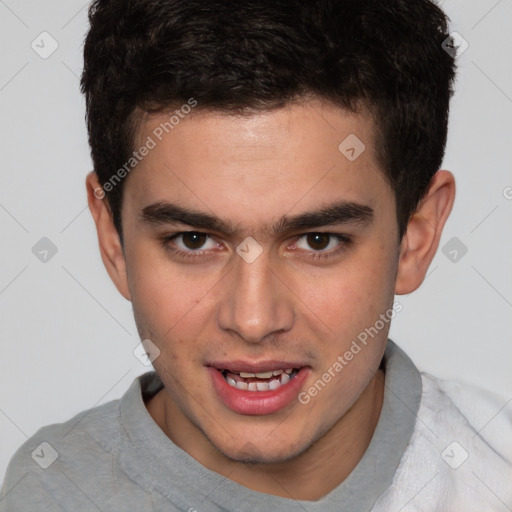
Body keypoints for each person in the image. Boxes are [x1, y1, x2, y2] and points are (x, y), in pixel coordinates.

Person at [1, 0, 511, 510]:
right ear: (113, 239)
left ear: (415, 238)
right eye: (193, 240)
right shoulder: (47, 493)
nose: (253, 320)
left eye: (318, 241)